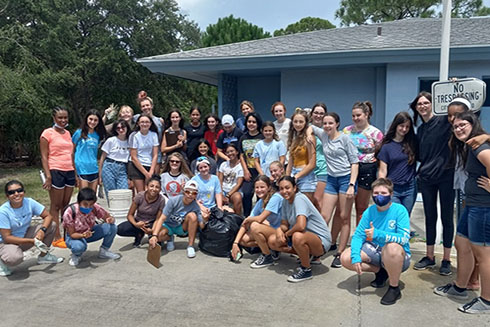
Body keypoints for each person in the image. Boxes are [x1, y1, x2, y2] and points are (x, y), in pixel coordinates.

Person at [433, 110, 490, 314]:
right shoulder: (470, 146)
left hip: (484, 207)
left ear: (472, 124)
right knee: (461, 243)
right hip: (472, 203)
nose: (458, 129)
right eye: (455, 126)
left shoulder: (479, 147)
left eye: (462, 125)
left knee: (484, 255)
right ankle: (460, 286)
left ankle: (486, 301)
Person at [340, 178, 411, 305]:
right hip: (375, 249)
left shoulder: (400, 210)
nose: (379, 196)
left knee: (392, 248)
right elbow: (358, 236)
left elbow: (404, 238)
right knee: (346, 258)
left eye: (383, 193)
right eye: (376, 193)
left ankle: (394, 288)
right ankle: (380, 272)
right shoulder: (370, 211)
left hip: (396, 255)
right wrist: (356, 257)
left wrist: (378, 234)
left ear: (391, 194)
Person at [410, 92, 455, 275]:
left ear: (433, 104)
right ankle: (429, 256)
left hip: (446, 177)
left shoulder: (445, 121)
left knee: (446, 218)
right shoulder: (420, 130)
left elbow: (465, 114)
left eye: (426, 102)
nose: (423, 106)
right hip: (427, 179)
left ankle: (446, 258)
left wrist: (453, 90)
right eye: (419, 104)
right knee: (430, 217)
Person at [311, 112, 359, 268]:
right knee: (324, 216)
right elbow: (307, 124)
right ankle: (320, 248)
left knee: (344, 216)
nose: (327, 126)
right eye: (325, 123)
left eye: (330, 123)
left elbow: (354, 162)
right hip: (331, 180)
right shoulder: (323, 135)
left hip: (346, 179)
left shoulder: (345, 139)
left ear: (337, 124)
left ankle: (340, 252)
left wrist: (352, 184)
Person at [269, 176, 331, 282]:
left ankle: (306, 269)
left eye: (287, 188)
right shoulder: (285, 201)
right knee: (272, 241)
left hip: (321, 241)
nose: (284, 191)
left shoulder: (299, 199)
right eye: (281, 189)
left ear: (294, 188)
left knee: (297, 236)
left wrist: (287, 234)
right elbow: (284, 223)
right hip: (305, 236)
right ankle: (307, 256)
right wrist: (280, 230)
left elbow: (301, 225)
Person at [0, 180, 64, 277]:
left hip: (24, 235)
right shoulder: (3, 211)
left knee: (52, 226)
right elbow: (7, 237)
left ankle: (44, 256)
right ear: (7, 196)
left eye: (19, 190)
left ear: (24, 192)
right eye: (11, 192)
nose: (16, 194)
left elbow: (48, 216)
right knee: (14, 258)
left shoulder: (29, 202)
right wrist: (31, 241)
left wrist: (42, 230)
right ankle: (2, 261)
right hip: (7, 242)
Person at [40, 106, 76, 248]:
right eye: (60, 117)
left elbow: (71, 155)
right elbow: (44, 156)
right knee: (55, 205)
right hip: (55, 170)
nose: (63, 120)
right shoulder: (47, 133)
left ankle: (68, 234)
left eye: (65, 117)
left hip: (69, 170)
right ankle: (56, 237)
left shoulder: (67, 133)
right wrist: (48, 176)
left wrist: (75, 173)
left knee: (66, 206)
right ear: (54, 118)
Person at [343, 101, 383, 225]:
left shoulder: (376, 133)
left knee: (361, 207)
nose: (356, 118)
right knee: (345, 208)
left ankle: (360, 234)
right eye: (353, 116)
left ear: (366, 114)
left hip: (367, 168)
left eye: (358, 115)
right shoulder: (346, 131)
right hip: (348, 168)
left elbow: (381, 153)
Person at [231, 175, 283, 267]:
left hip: (281, 232)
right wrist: (235, 243)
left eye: (262, 187)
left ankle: (267, 256)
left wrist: (249, 219)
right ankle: (271, 249)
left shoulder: (276, 197)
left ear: (269, 187)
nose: (259, 190)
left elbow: (259, 219)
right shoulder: (260, 202)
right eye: (257, 187)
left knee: (255, 225)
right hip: (270, 231)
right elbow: (246, 223)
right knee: (243, 240)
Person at [63, 187, 121, 267]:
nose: (88, 207)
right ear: (79, 202)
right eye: (85, 204)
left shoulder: (95, 207)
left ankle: (104, 250)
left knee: (112, 227)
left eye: (91, 205)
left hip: (91, 231)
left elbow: (108, 217)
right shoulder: (69, 212)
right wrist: (83, 235)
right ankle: (76, 255)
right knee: (78, 247)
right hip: (75, 237)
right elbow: (72, 234)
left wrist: (110, 219)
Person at [149, 180, 204, 258]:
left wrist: (205, 218)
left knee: (193, 216)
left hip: (181, 227)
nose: (190, 195)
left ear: (196, 195)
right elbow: (162, 218)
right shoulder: (173, 200)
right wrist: (154, 235)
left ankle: (190, 246)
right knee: (159, 236)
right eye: (188, 192)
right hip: (168, 225)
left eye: (194, 193)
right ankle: (169, 238)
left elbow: (201, 225)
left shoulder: (195, 206)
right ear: (184, 192)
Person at [377, 112, 418, 215]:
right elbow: (382, 170)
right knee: (394, 216)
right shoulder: (387, 147)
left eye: (407, 127)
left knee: (405, 217)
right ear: (396, 125)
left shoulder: (412, 143)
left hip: (410, 187)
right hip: (393, 188)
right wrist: (382, 188)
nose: (404, 129)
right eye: (401, 126)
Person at [117, 176, 165, 247]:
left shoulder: (161, 200)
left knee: (160, 239)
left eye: (157, 187)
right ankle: (138, 234)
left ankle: (151, 236)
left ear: (160, 189)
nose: (154, 189)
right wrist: (136, 224)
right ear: (147, 187)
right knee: (119, 229)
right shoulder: (140, 196)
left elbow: (158, 219)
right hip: (138, 221)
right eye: (151, 186)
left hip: (151, 222)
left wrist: (152, 230)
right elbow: (130, 215)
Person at [286, 109, 317, 206]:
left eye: (301, 122)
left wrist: (296, 176)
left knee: (304, 208)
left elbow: (312, 164)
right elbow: (290, 162)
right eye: (295, 121)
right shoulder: (294, 138)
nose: (298, 124)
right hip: (294, 174)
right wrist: (287, 178)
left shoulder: (309, 139)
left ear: (305, 123)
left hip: (306, 176)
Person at [72, 109, 106, 192]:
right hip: (81, 167)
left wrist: (106, 115)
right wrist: (74, 170)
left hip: (93, 168)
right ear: (86, 119)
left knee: (92, 197)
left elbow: (103, 125)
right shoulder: (79, 133)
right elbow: (71, 151)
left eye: (95, 120)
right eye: (90, 119)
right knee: (84, 196)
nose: (92, 122)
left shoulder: (97, 135)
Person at [238, 112, 264, 216]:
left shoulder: (262, 137)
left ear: (258, 123)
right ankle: (247, 216)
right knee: (247, 194)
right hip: (249, 170)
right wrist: (245, 170)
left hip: (260, 170)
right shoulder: (243, 137)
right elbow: (241, 155)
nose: (251, 124)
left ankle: (259, 216)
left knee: (261, 195)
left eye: (254, 122)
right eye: (249, 121)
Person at [127, 114, 160, 193]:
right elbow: (133, 157)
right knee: (141, 193)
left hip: (149, 164)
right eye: (142, 122)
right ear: (138, 123)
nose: (144, 124)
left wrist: (151, 171)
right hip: (136, 165)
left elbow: (155, 155)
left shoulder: (154, 135)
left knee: (150, 191)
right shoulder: (134, 135)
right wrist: (146, 173)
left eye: (147, 122)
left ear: (150, 123)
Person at [99, 119, 131, 198]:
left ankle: (122, 210)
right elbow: (102, 158)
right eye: (118, 128)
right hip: (109, 166)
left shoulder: (130, 141)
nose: (121, 130)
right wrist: (100, 175)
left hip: (123, 168)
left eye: (123, 127)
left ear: (127, 127)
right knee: (111, 193)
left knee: (123, 193)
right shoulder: (111, 140)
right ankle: (112, 210)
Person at [309, 103, 328, 214]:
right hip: (307, 170)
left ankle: (319, 229)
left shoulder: (327, 131)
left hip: (322, 169)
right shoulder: (305, 129)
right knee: (308, 201)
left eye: (321, 113)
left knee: (318, 200)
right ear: (311, 114)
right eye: (316, 113)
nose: (318, 115)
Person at [218, 144, 244, 214]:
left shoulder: (240, 166)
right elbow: (219, 180)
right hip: (223, 190)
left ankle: (238, 219)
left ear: (237, 152)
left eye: (232, 151)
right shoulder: (223, 164)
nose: (230, 154)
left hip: (234, 191)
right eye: (228, 152)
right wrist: (221, 194)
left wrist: (228, 195)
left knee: (237, 198)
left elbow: (238, 184)